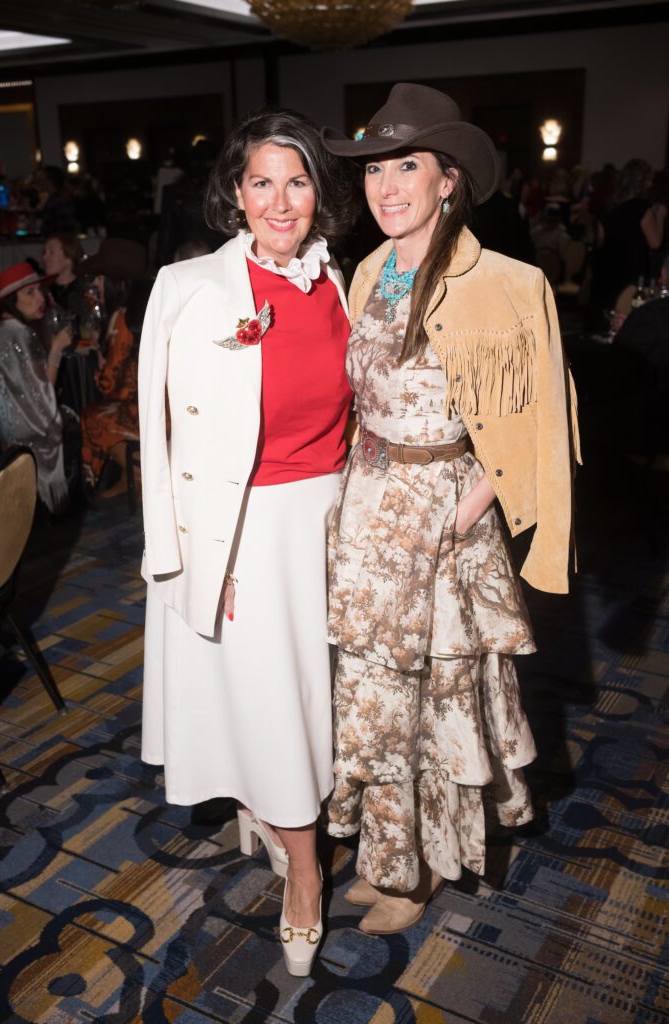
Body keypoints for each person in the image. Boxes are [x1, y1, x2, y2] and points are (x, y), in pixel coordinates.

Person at [320, 83, 581, 934]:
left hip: (442, 518)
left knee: (435, 703)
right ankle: (387, 858)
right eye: (376, 169)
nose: (387, 185)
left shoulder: (507, 283)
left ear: (448, 179)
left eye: (409, 166)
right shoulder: (366, 270)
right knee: (370, 700)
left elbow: (543, 422)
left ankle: (422, 874)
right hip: (367, 513)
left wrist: (465, 511)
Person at [139, 108, 359, 976]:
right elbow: (159, 439)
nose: (280, 200)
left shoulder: (342, 282)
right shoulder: (186, 287)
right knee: (277, 704)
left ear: (318, 195)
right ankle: (306, 876)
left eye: (297, 181)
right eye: (262, 181)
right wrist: (190, 556)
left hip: (333, 521)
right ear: (235, 193)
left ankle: (268, 815)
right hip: (243, 526)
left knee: (321, 703)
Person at [0, 263, 72, 513]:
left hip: (1, 434)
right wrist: (57, 349)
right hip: (29, 436)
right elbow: (43, 391)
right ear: (11, 302)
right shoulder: (21, 334)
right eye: (30, 293)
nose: (40, 298)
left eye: (40, 290)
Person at [78, 239, 149, 495]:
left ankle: (138, 474)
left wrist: (99, 361)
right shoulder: (141, 310)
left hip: (146, 411)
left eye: (99, 278)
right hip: (158, 404)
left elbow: (108, 384)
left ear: (114, 281)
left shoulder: (121, 318)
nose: (95, 284)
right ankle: (128, 474)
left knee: (91, 416)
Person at [594, 158, 667, 309]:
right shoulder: (641, 208)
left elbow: (600, 240)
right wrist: (660, 218)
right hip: (631, 273)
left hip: (607, 270)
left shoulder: (609, 206)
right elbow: (655, 243)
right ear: (644, 182)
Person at [42, 233, 90, 329]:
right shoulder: (41, 293)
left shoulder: (86, 292)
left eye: (51, 252)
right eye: (44, 252)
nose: (44, 257)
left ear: (69, 258)